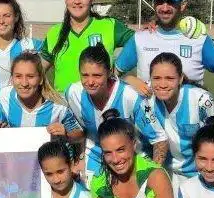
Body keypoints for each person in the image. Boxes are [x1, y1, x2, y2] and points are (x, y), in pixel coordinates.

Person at [64, 44, 167, 186]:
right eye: (85, 75)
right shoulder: (73, 93)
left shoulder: (130, 96)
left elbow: (160, 139)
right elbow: (79, 132)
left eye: (97, 75)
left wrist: (155, 177)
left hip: (132, 158)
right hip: (95, 155)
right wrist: (78, 160)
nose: (90, 82)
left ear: (109, 72)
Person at [115, 0, 214, 95]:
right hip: (147, 113)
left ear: (182, 5)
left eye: (170, 1)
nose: (164, 8)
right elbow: (110, 76)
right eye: (159, 1)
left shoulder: (199, 38)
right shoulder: (139, 38)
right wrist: (128, 80)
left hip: (190, 113)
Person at [41, 0, 135, 93]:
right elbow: (37, 70)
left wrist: (119, 70)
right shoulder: (54, 33)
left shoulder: (109, 26)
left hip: (100, 106)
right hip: (64, 107)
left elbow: (139, 42)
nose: (77, 1)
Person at [147, 52, 214, 195]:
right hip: (166, 173)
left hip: (199, 176)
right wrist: (132, 79)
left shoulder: (201, 100)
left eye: (169, 78)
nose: (162, 84)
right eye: (156, 78)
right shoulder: (147, 96)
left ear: (180, 79)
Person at [0, 51, 82, 140]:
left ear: (41, 79)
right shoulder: (4, 97)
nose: (24, 83)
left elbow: (79, 135)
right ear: (12, 78)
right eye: (18, 76)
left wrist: (66, 133)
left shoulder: (59, 106)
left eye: (30, 76)